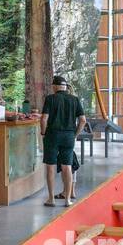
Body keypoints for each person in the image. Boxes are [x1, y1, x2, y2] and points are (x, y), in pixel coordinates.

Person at [40, 75, 87, 207]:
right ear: (65, 87)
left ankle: (51, 199)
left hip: (52, 135)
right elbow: (83, 120)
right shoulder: (75, 99)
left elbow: (44, 118)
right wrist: (75, 134)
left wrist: (43, 133)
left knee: (51, 166)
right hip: (69, 136)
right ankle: (67, 199)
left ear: (54, 87)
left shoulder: (50, 99)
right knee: (67, 166)